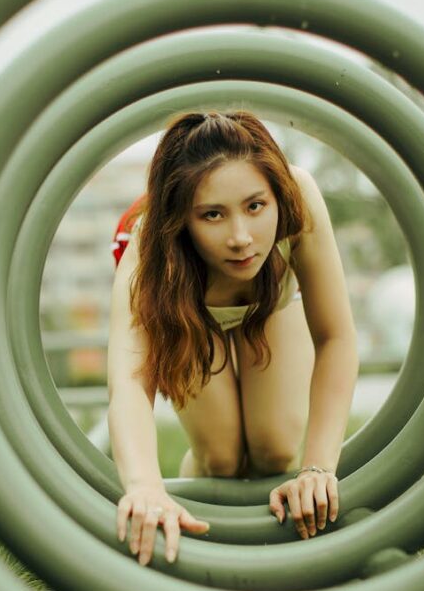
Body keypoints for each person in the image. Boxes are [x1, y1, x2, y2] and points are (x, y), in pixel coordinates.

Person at [108, 110, 358, 566]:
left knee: (275, 448)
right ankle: (207, 549)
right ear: (184, 219)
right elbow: (128, 384)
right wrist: (145, 486)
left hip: (272, 302)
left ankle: (271, 559)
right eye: (212, 215)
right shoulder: (151, 251)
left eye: (255, 206)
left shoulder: (298, 195)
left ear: (275, 194)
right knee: (220, 458)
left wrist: (318, 468)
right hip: (187, 308)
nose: (241, 238)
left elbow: (335, 337)